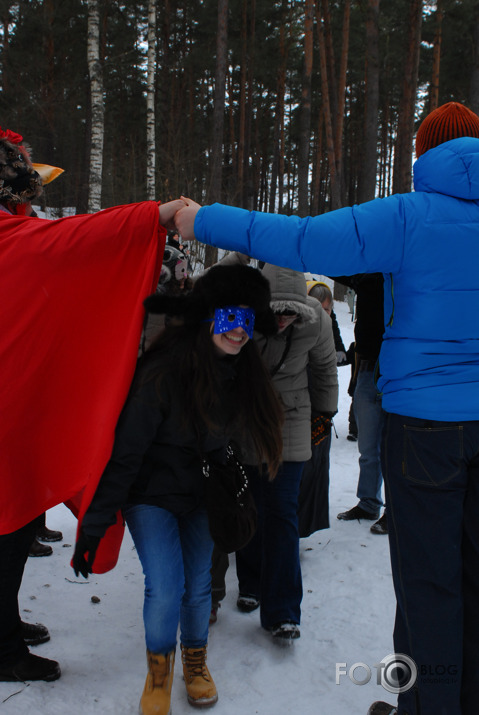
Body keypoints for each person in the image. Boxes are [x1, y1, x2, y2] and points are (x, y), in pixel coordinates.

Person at [175, 101, 479, 715]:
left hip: (427, 429)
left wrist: (200, 219)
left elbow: (303, 238)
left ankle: (431, 705)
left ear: (425, 155)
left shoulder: (410, 215)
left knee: (428, 581)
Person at [0, 122, 185, 683]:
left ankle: (3, 625)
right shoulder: (12, 239)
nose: (31, 198)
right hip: (9, 417)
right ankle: (3, 650)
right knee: (8, 530)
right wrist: (155, 214)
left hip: (20, 411)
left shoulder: (16, 235)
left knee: (18, 523)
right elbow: (75, 240)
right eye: (22, 186)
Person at [72, 264, 284, 715]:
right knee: (167, 587)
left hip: (203, 495)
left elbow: (237, 438)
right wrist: (93, 525)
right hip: (151, 494)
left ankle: (196, 661)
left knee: (199, 586)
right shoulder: (163, 372)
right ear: (208, 317)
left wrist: (231, 470)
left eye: (248, 320)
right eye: (230, 318)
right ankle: (159, 672)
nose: (239, 332)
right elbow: (126, 452)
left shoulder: (242, 371)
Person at [211, 264, 338, 640]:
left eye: (290, 312)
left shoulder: (317, 323)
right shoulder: (240, 317)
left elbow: (325, 371)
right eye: (274, 312)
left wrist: (324, 416)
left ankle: (283, 611)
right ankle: (250, 584)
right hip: (244, 422)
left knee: (282, 515)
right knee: (246, 506)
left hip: (291, 423)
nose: (282, 320)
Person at [333, 274, 387, 535]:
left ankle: (397, 510)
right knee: (368, 446)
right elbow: (332, 262)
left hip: (397, 368)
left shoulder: (401, 272)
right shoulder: (364, 276)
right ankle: (368, 503)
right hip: (366, 368)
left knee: (396, 447)